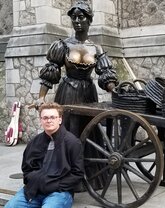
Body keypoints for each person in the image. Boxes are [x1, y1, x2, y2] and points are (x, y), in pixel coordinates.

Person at [35, 0, 118, 137]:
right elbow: (51, 70)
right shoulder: (63, 45)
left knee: (88, 127)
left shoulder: (96, 48)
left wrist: (113, 90)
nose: (77, 21)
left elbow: (105, 72)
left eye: (81, 17)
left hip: (88, 93)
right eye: (74, 17)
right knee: (68, 126)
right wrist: (41, 97)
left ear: (89, 20)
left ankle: (87, 157)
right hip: (68, 92)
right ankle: (66, 156)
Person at [4, 102, 84, 208]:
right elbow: (26, 168)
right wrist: (34, 180)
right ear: (41, 120)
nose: (49, 120)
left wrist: (56, 185)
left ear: (60, 119)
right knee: (11, 206)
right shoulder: (34, 142)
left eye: (52, 117)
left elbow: (78, 173)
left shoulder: (72, 142)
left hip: (59, 192)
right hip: (33, 191)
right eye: (45, 118)